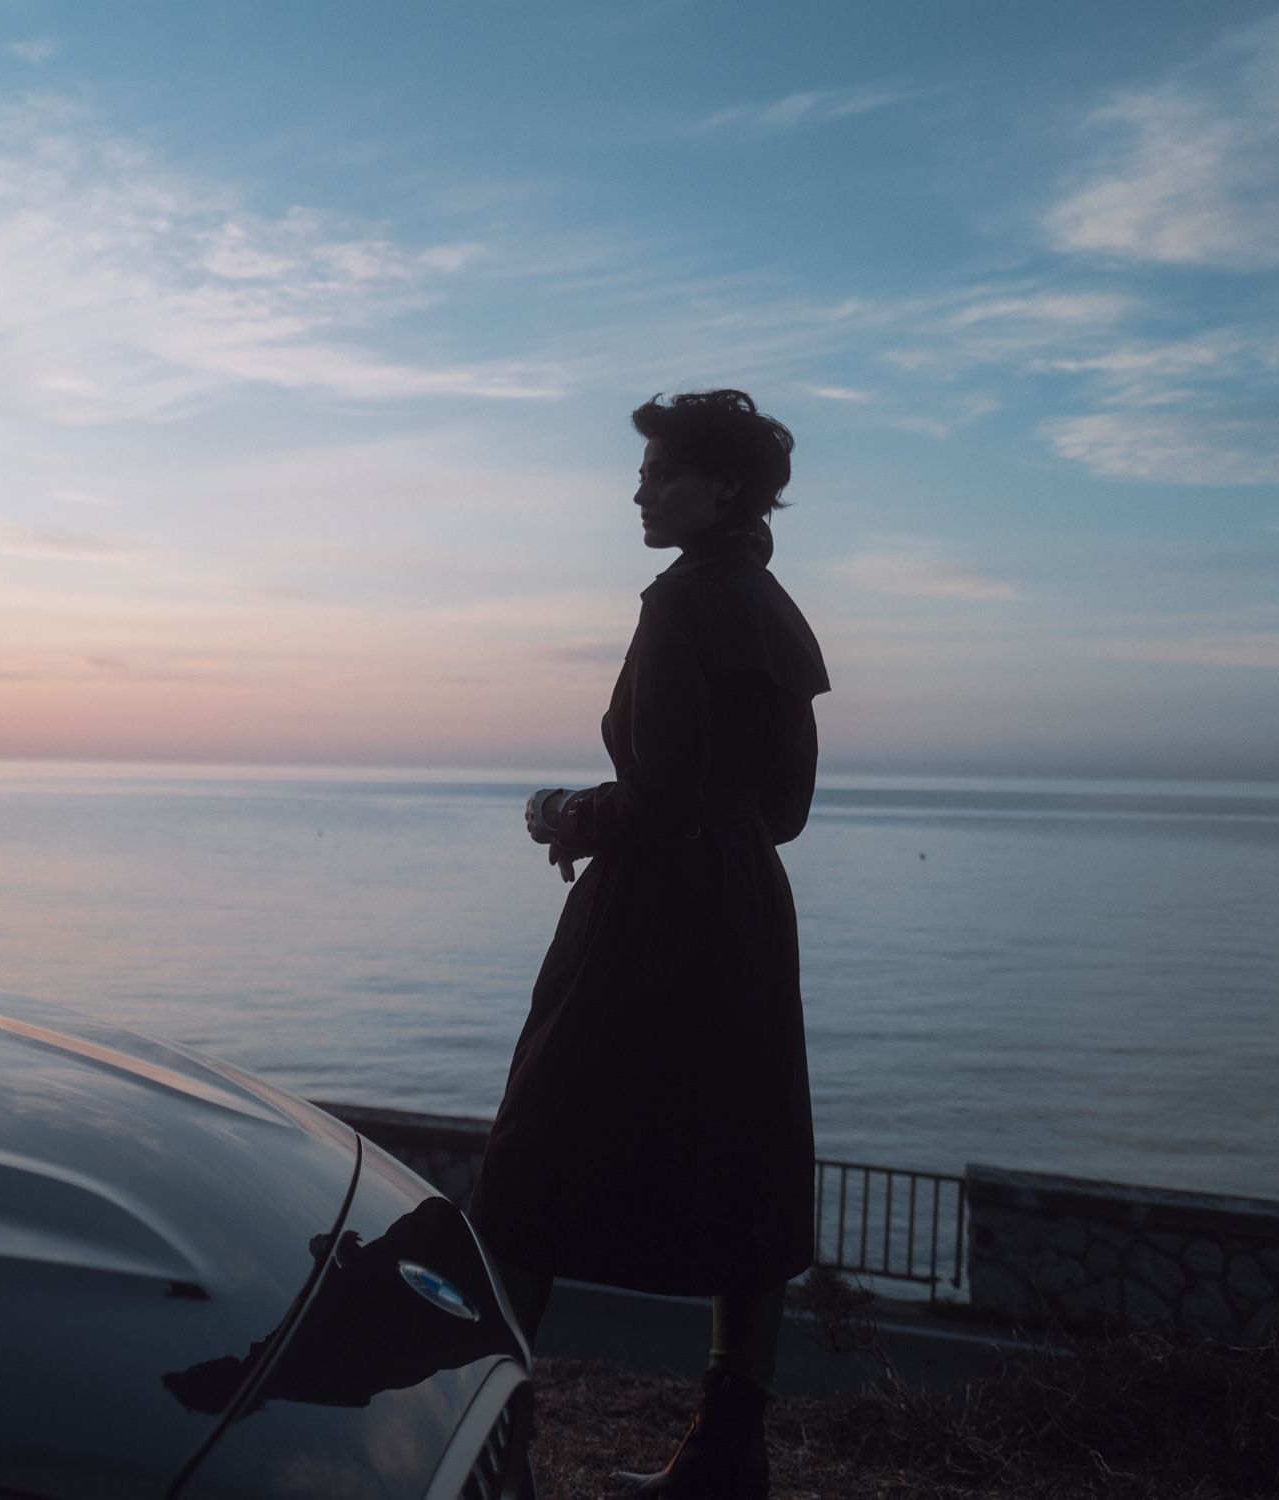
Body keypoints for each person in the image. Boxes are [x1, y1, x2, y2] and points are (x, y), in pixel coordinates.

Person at [468, 390, 828, 1498]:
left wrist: (570, 815)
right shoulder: (770, 606)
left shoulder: (679, 605)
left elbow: (661, 793)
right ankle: (730, 1457)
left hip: (652, 912)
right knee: (746, 1157)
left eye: (662, 473)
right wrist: (673, 821)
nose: (639, 490)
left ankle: (488, 1441)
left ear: (722, 487)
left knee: (533, 1158)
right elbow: (786, 809)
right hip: (747, 909)